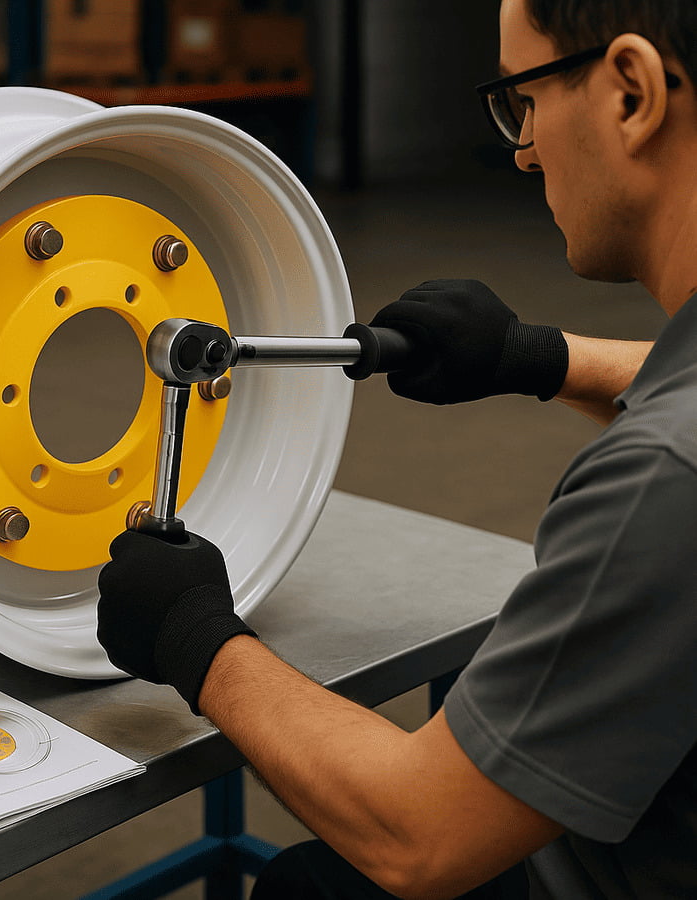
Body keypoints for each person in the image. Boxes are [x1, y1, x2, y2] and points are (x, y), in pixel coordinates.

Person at [96, 0, 697, 896]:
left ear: (631, 93)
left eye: (522, 102)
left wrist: (196, 638)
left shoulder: (659, 482)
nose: (524, 150)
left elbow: (419, 834)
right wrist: (537, 357)